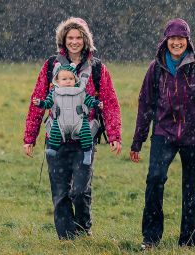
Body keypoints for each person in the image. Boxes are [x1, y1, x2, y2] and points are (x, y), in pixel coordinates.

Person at [23, 17, 122, 240]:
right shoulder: (50, 66)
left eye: (79, 37)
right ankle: (67, 240)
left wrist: (114, 135)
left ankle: (83, 228)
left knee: (79, 190)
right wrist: (30, 137)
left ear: (85, 40)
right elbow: (37, 100)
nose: (75, 42)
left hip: (84, 141)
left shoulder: (97, 68)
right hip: (56, 140)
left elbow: (110, 102)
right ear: (63, 40)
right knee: (60, 194)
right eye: (70, 38)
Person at [129, 18, 195, 249]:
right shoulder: (155, 67)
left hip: (194, 134)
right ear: (165, 41)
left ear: (187, 40)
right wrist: (137, 141)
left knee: (191, 188)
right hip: (163, 132)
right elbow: (145, 104)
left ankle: (188, 242)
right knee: (155, 179)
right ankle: (150, 239)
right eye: (172, 38)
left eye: (181, 38)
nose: (176, 42)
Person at [32, 64, 103, 165]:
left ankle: (87, 152)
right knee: (55, 132)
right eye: (64, 79)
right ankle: (53, 148)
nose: (68, 81)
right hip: (61, 121)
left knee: (86, 133)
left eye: (71, 78)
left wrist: (96, 104)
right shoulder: (54, 93)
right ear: (57, 81)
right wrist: (40, 103)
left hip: (79, 120)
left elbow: (90, 101)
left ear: (76, 79)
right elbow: (47, 104)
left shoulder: (81, 92)